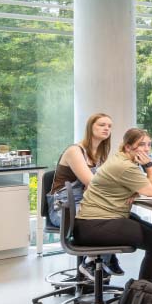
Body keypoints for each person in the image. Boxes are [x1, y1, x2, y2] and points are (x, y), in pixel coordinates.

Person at [73, 128, 152, 283]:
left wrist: (135, 190)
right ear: (128, 147)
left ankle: (147, 290)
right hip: (96, 225)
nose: (147, 149)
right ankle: (146, 293)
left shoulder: (120, 159)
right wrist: (150, 165)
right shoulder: (126, 166)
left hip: (90, 222)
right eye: (141, 145)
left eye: (149, 144)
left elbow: (129, 184)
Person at [49, 112, 123, 277]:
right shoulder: (75, 151)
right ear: (90, 127)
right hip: (64, 209)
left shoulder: (99, 155)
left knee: (119, 214)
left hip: (85, 204)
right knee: (103, 218)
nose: (106, 128)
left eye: (109, 126)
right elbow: (94, 183)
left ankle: (96, 261)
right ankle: (93, 261)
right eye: (101, 125)